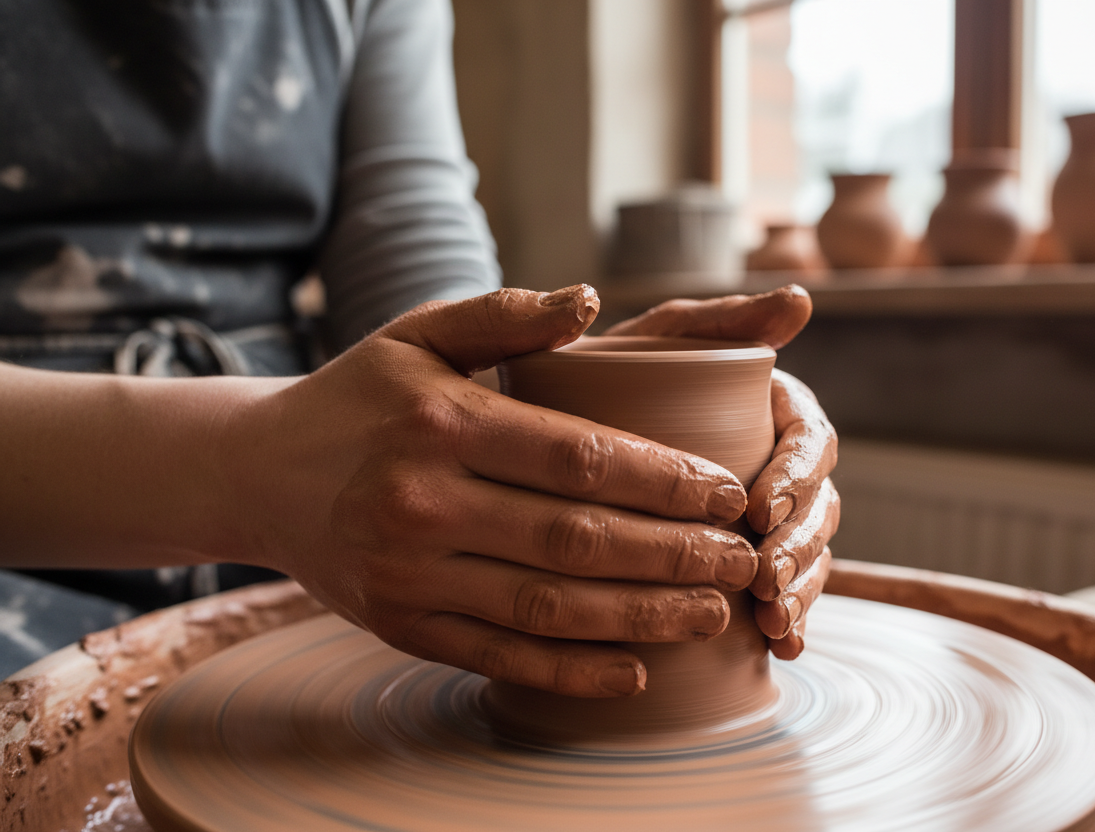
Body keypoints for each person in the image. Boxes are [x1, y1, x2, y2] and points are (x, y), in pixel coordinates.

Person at [0, 0, 838, 695]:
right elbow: (283, 463)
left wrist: (548, 409)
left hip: (309, 509)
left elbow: (408, 232)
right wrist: (255, 469)